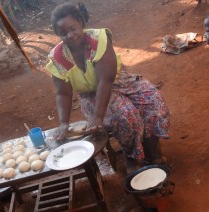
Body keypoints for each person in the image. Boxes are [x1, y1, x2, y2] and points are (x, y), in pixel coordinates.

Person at [45, 3, 170, 173]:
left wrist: (98, 116)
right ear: (58, 35)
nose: (70, 35)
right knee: (126, 115)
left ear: (80, 22)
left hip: (119, 81)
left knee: (154, 102)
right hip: (91, 95)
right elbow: (63, 93)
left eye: (73, 28)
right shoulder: (58, 57)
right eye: (63, 33)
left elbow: (106, 79)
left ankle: (152, 151)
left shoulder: (98, 39)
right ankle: (131, 156)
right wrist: (63, 123)